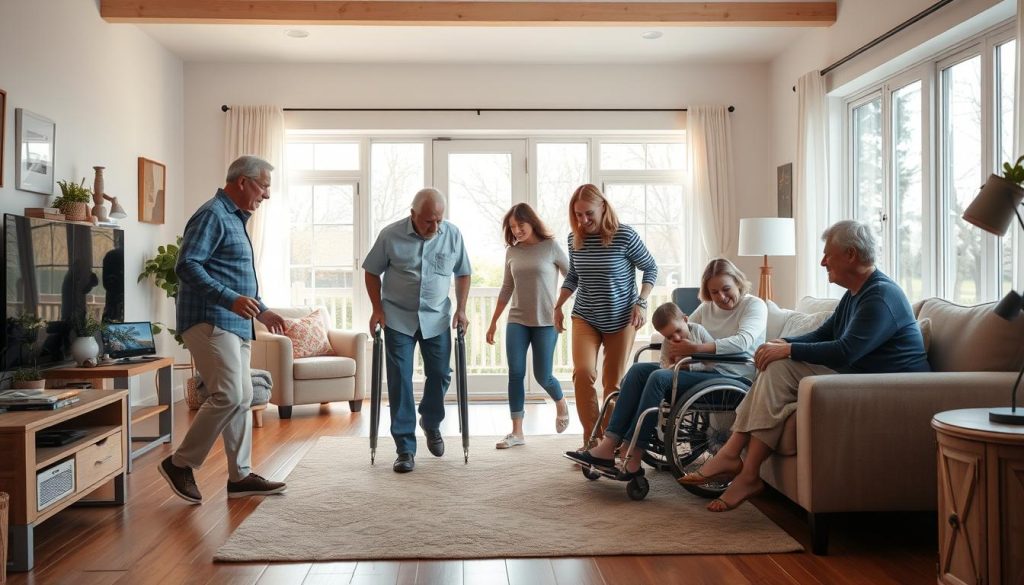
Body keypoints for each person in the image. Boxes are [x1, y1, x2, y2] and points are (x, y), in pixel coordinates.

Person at [682, 220, 931, 512]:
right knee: (774, 366)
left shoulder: (880, 296)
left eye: (828, 254)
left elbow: (846, 351)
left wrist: (788, 350)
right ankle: (744, 471)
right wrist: (781, 343)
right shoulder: (858, 293)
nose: (823, 261)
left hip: (890, 387)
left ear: (850, 255)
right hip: (862, 376)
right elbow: (825, 333)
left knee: (779, 368)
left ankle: (735, 460)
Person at [158, 155, 287, 504]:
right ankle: (180, 463)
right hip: (209, 320)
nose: (267, 195)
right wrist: (229, 300)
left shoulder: (234, 218)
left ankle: (240, 476)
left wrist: (262, 310)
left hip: (234, 323)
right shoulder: (213, 214)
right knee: (229, 394)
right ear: (242, 182)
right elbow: (187, 265)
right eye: (264, 186)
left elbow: (233, 275)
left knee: (243, 397)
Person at [565, 259, 766, 479]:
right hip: (704, 371)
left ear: (737, 282)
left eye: (726, 289)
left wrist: (696, 348)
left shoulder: (754, 305)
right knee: (638, 371)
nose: (721, 297)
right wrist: (676, 348)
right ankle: (609, 442)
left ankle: (634, 455)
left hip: (734, 374)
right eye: (714, 292)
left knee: (660, 378)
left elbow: (743, 341)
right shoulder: (708, 307)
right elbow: (681, 326)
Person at [363, 188, 471, 473]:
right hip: (397, 317)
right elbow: (372, 271)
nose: (434, 227)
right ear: (413, 215)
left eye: (439, 220)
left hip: (436, 318)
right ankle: (405, 449)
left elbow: (463, 272)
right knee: (400, 379)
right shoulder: (390, 235)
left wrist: (461, 309)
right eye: (427, 221)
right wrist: (377, 308)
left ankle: (430, 421)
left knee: (440, 374)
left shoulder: (453, 234)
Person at [554, 184, 658, 448]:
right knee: (583, 371)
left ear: (603, 207)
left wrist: (642, 302)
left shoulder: (624, 236)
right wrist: (558, 305)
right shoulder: (573, 238)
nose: (583, 220)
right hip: (586, 315)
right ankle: (591, 438)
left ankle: (609, 441)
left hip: (622, 317)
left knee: (612, 383)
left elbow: (650, 268)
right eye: (577, 215)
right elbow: (574, 276)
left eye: (588, 213)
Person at [486, 203, 571, 449]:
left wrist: (560, 306)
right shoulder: (512, 252)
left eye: (520, 225)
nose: (516, 231)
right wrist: (493, 322)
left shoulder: (551, 247)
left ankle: (561, 402)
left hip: (546, 321)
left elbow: (573, 278)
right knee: (515, 373)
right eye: (512, 227)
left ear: (532, 222)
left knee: (543, 375)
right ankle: (517, 432)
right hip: (517, 319)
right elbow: (506, 288)